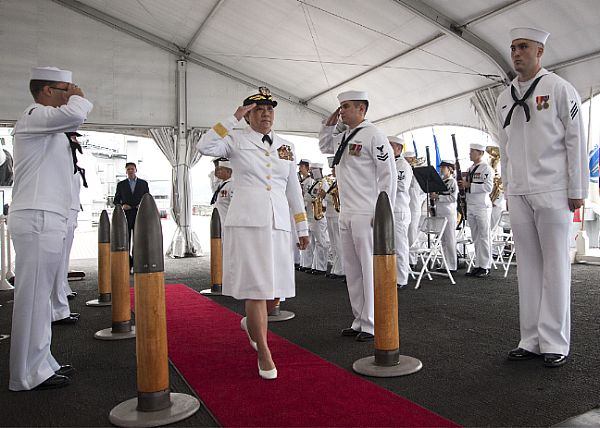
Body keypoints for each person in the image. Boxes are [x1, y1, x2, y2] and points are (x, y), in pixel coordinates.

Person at [197, 87, 309, 379]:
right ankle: (264, 351)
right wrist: (233, 118)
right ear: (248, 114)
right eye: (258, 109)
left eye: (270, 109)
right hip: (247, 222)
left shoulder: (286, 145)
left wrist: (302, 225)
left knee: (274, 294)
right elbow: (204, 146)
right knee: (256, 288)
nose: (266, 114)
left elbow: (292, 189)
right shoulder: (234, 138)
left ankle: (251, 324)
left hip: (278, 223)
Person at [496, 27, 588, 367]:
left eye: (523, 47)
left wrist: (577, 190)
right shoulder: (504, 96)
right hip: (519, 191)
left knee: (556, 267)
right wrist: (507, 188)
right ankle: (530, 339)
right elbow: (504, 148)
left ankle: (554, 342)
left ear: (539, 52)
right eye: (513, 48)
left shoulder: (560, 89)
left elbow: (575, 140)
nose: (516, 53)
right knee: (528, 268)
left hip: (553, 190)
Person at [8, 66, 93, 391]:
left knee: (40, 298)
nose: (71, 92)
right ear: (46, 91)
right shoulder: (35, 114)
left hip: (48, 216)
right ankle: (25, 374)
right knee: (31, 299)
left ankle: (41, 363)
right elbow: (76, 113)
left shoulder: (49, 125)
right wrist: (79, 96)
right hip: (36, 216)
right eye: (65, 88)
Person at [319, 90, 397, 342]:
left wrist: (384, 212)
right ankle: (359, 320)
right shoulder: (344, 135)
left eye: (347, 106)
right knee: (352, 270)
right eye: (341, 106)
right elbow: (323, 146)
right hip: (347, 212)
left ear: (362, 109)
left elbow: (388, 173)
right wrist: (330, 122)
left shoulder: (374, 134)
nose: (342, 110)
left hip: (367, 212)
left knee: (368, 269)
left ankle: (373, 322)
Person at [459, 143, 494, 277]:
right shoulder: (470, 168)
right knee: (475, 237)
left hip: (482, 205)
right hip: (471, 204)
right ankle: (478, 264)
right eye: (470, 151)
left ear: (480, 153)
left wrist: (470, 185)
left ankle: (485, 266)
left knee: (484, 236)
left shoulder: (486, 169)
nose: (470, 154)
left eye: (472, 152)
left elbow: (488, 187)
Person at [113, 162, 149, 270]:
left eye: (132, 169)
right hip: (126, 215)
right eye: (128, 169)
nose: (130, 171)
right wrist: (122, 205)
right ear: (126, 171)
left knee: (138, 240)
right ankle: (128, 264)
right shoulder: (121, 184)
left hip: (139, 215)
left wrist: (141, 205)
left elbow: (147, 198)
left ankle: (137, 263)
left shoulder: (143, 183)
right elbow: (115, 201)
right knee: (126, 240)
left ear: (136, 170)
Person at [388, 136, 413, 288]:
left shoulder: (403, 165)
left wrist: (384, 181)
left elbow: (402, 185)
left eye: (390, 145)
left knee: (400, 246)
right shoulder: (388, 163)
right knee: (390, 246)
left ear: (398, 148)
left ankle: (401, 278)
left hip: (399, 210)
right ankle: (392, 276)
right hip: (389, 210)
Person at [431, 161, 459, 272]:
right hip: (440, 212)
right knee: (443, 240)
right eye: (441, 167)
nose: (441, 169)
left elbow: (453, 198)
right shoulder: (441, 181)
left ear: (450, 169)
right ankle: (445, 264)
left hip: (448, 213)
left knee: (450, 239)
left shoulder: (452, 182)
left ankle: (452, 265)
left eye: (443, 167)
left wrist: (438, 197)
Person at [321, 158, 344, 280]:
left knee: (339, 242)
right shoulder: (334, 182)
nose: (332, 171)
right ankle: (336, 267)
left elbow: (340, 199)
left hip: (337, 214)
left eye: (334, 168)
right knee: (334, 243)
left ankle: (341, 269)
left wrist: (326, 196)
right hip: (330, 214)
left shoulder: (342, 182)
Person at [404, 152, 427, 270]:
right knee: (404, 234)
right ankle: (404, 259)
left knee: (412, 233)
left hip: (414, 207)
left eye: (409, 160)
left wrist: (418, 201)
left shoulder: (417, 174)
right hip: (405, 206)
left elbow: (422, 192)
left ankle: (412, 260)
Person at [306, 162, 329, 275]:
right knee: (312, 242)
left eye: (313, 170)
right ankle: (314, 265)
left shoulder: (323, 183)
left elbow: (322, 199)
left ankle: (321, 267)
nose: (311, 172)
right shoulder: (315, 183)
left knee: (321, 242)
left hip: (319, 216)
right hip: (311, 215)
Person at [210, 157, 233, 224]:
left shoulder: (232, 185)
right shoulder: (220, 183)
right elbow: (214, 191)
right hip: (218, 220)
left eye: (220, 169)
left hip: (227, 221)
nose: (217, 171)